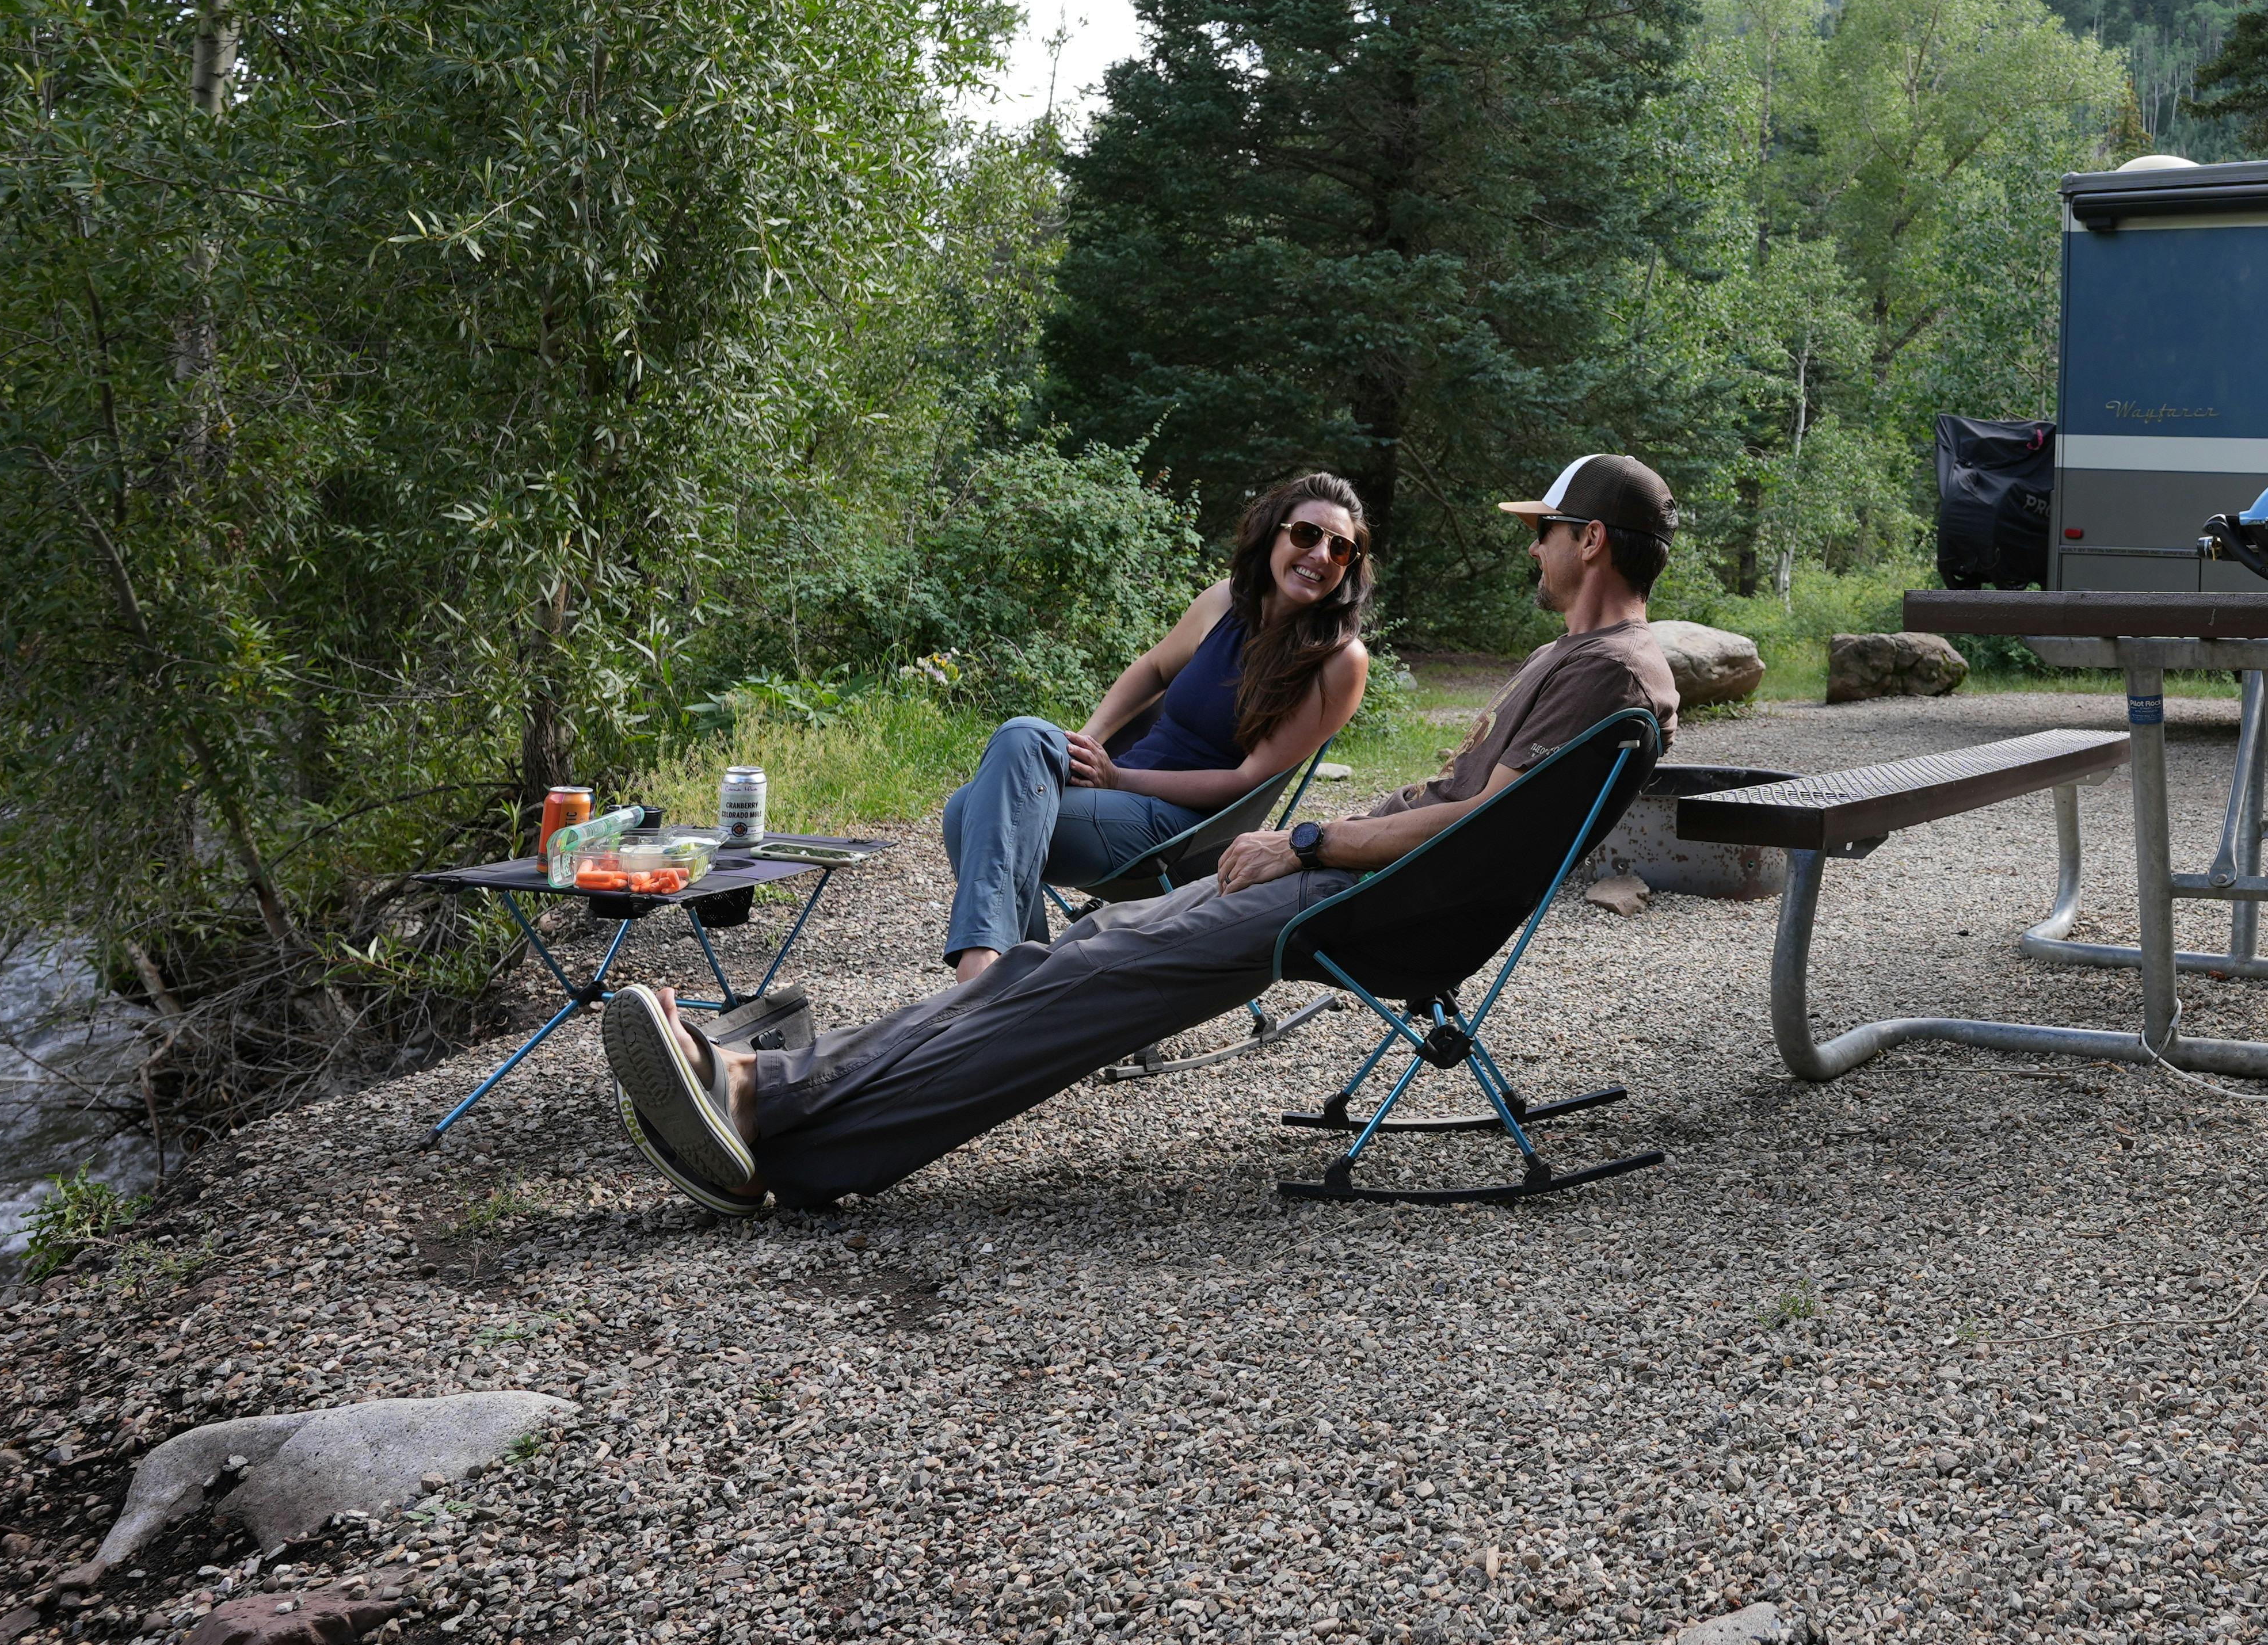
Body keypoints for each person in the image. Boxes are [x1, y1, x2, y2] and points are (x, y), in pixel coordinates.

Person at [599, 453, 1686, 1213]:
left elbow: (1483, 823)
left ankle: (774, 1111)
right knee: (1062, 954)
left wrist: (1307, 841)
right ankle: (782, 1119)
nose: (1531, 550)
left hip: (1364, 905)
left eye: (1542, 532)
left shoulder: (1609, 670)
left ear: (1587, 541)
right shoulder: (1587, 662)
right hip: (1367, 889)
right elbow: (1472, 807)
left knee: (1090, 969)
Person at [931, 474, 1376, 979]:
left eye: (1341, 550)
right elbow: (1153, 670)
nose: (1320, 555)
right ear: (1273, 534)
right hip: (1117, 792)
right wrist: (1088, 744)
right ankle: (1014, 985)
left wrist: (1119, 779)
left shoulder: (1339, 661)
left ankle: (994, 978)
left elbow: (1245, 780)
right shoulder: (1225, 602)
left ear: (1350, 567)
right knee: (1021, 738)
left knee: (969, 812)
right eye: (1306, 535)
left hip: (1183, 831)